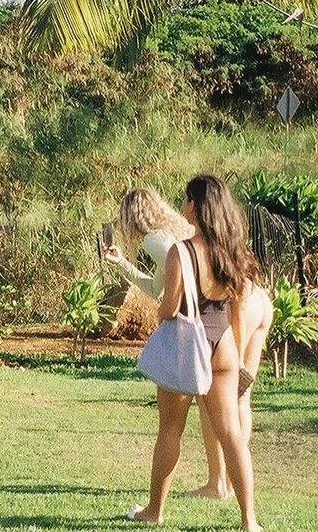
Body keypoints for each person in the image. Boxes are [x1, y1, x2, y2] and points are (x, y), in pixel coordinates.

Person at [104, 185, 273, 500]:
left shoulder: (159, 241)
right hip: (251, 304)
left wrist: (165, 314)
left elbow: (173, 291)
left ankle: (210, 486)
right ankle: (240, 505)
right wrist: (123, 263)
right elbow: (161, 286)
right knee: (236, 405)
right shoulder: (204, 237)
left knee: (178, 422)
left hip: (208, 324)